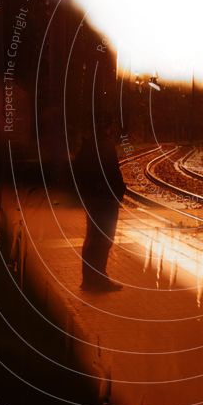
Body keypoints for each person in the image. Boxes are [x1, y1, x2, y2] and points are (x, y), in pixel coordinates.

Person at [74, 114, 126, 292]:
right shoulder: (105, 146)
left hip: (94, 199)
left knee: (93, 238)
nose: (113, 130)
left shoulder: (87, 145)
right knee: (103, 239)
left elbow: (78, 171)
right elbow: (113, 172)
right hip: (105, 200)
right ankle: (98, 279)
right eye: (111, 126)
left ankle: (89, 279)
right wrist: (119, 192)